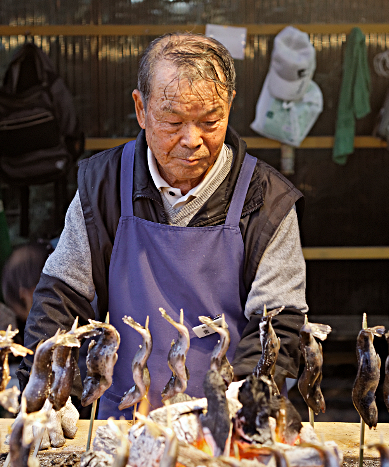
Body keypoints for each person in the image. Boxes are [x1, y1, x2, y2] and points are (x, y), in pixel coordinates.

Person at [20, 33, 308, 419]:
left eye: (210, 121)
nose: (192, 141)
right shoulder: (104, 185)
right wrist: (44, 394)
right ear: (141, 109)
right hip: (122, 420)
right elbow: (61, 298)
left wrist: (236, 408)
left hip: (228, 420)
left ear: (230, 107)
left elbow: (279, 326)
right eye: (172, 121)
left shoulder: (267, 200)